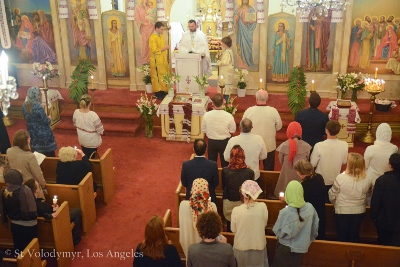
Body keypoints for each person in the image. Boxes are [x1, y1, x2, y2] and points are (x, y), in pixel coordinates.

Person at [273, 180, 319, 267]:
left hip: (285, 248)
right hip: (301, 247)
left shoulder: (285, 212)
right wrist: (308, 240)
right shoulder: (310, 208)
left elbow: (277, 231)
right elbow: (315, 228)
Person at [329, 153, 373, 243]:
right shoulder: (368, 179)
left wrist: (335, 203)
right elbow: (368, 196)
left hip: (342, 210)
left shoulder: (341, 178)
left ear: (349, 164)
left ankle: (341, 254)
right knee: (354, 235)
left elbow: (332, 195)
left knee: (342, 236)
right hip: (359, 210)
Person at [23, 179, 83, 245]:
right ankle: (75, 239)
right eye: (39, 187)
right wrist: (56, 210)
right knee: (76, 211)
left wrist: (52, 209)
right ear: (36, 190)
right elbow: (46, 214)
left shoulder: (24, 201)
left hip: (43, 226)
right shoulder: (36, 203)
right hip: (54, 223)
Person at [231, 180, 268, 267]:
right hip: (258, 244)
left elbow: (233, 230)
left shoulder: (236, 210)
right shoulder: (263, 206)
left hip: (241, 245)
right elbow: (264, 224)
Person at [243, 89, 282, 170]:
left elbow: (243, 126)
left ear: (256, 99)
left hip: (253, 144)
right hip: (269, 145)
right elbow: (279, 126)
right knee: (269, 168)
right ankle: (268, 183)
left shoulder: (249, 111)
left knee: (252, 169)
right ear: (267, 98)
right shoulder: (273, 111)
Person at [0, 169, 37, 254]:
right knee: (31, 251)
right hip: (30, 226)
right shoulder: (25, 190)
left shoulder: (3, 192)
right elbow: (33, 208)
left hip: (15, 225)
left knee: (19, 250)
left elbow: (4, 209)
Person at [310, 120, 348, 201]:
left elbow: (312, 164)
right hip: (336, 179)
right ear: (338, 131)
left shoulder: (319, 145)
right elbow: (344, 161)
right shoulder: (344, 145)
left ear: (326, 130)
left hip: (321, 180)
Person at [179, 178, 217, 258]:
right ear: (206, 190)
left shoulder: (183, 205)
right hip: (207, 253)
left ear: (193, 189)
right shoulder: (212, 207)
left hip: (189, 251)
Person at [5, 130, 47, 199]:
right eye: (28, 138)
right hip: (29, 186)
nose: (30, 139)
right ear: (25, 141)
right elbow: (37, 173)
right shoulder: (29, 156)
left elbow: (7, 167)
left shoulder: (9, 151)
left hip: (15, 184)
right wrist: (43, 184)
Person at [274, 122, 311, 198]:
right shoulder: (306, 146)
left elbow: (281, 161)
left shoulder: (284, 146)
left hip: (287, 175)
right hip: (301, 176)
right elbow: (308, 161)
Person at [222, 145, 254, 231]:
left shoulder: (225, 171)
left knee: (230, 224)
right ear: (243, 156)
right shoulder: (250, 172)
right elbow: (250, 192)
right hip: (243, 204)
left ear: (231, 156)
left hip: (228, 203)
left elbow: (223, 187)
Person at [224, 118, 267, 182]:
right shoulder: (259, 139)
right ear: (252, 127)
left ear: (240, 128)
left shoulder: (233, 140)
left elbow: (227, 157)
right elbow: (263, 156)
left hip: (236, 175)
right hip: (253, 175)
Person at [370, 153, 400, 246]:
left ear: (390, 165)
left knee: (384, 246)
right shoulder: (382, 180)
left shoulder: (382, 180)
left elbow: (376, 201)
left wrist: (373, 217)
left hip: (384, 221)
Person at [294, 159, 326, 240]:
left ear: (301, 172)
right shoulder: (319, 177)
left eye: (297, 171)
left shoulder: (303, 185)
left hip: (309, 215)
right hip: (320, 211)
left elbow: (299, 202)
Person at [201, 93, 236, 167]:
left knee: (211, 164)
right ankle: (225, 178)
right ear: (223, 102)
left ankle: (213, 178)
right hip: (224, 142)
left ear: (212, 103)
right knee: (225, 164)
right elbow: (232, 130)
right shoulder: (229, 116)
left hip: (212, 142)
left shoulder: (207, 115)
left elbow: (203, 130)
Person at [22, 86, 57, 156]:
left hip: (32, 133)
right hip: (43, 136)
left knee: (37, 156)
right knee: (49, 156)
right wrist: (49, 118)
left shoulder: (25, 105)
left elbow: (25, 118)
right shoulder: (37, 106)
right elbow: (46, 121)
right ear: (37, 95)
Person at [73, 94, 104, 159]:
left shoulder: (76, 112)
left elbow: (75, 124)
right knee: (92, 157)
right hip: (91, 140)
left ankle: (85, 164)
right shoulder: (93, 115)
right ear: (90, 104)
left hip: (82, 138)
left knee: (85, 154)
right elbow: (100, 130)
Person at [149, 21, 170, 100]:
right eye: (161, 29)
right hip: (156, 61)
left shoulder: (161, 36)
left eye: (163, 29)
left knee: (162, 75)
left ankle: (162, 90)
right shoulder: (152, 37)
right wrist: (165, 48)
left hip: (162, 60)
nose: (162, 31)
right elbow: (154, 50)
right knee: (156, 76)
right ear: (156, 28)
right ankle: (158, 93)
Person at [234, 0, 257, 69]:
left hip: (247, 30)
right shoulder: (238, 9)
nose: (245, 1)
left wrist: (251, 21)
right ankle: (241, 63)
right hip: (240, 30)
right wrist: (236, 17)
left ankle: (248, 62)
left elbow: (254, 21)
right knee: (240, 45)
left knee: (248, 47)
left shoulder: (251, 9)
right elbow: (234, 20)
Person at [135, 0, 157, 64]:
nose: (146, 1)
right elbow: (137, 18)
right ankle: (145, 59)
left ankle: (151, 58)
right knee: (145, 43)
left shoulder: (151, 7)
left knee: (151, 42)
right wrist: (141, 23)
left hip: (151, 27)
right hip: (144, 29)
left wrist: (152, 19)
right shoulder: (138, 8)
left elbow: (154, 16)